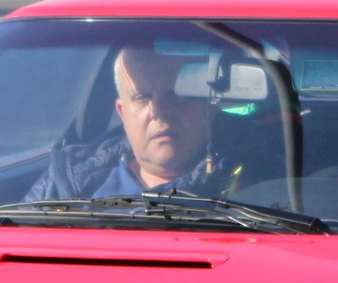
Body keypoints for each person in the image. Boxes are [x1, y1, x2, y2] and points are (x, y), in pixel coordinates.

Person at [27, 46, 237, 200]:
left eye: (177, 96)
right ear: (122, 112)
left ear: (210, 105)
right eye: (142, 97)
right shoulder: (66, 181)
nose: (158, 112)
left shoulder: (247, 185)